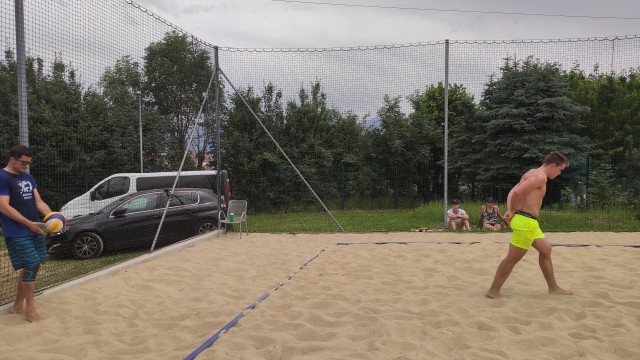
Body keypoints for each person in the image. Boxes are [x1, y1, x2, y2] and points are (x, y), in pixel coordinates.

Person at [486, 151, 573, 299]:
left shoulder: (531, 173)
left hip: (530, 222)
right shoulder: (540, 177)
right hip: (525, 221)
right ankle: (493, 291)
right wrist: (512, 211)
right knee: (512, 258)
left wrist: (510, 210)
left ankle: (553, 288)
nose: (559, 174)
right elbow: (517, 193)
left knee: (545, 250)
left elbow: (513, 192)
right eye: (560, 170)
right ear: (553, 165)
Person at [0, 145, 53, 322]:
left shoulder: (28, 177)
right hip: (17, 231)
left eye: (29, 163)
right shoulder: (2, 177)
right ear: (12, 159)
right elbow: (3, 206)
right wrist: (27, 223)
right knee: (31, 264)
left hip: (34, 228)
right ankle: (30, 309)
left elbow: (38, 202)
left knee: (34, 265)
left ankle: (17, 306)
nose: (26, 166)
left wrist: (53, 216)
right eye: (23, 163)